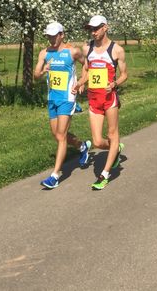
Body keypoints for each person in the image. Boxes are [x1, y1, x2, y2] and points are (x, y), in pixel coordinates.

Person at [34, 21, 91, 189]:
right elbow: (36, 75)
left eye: (54, 36)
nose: (51, 39)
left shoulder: (72, 52)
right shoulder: (44, 53)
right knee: (57, 134)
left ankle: (55, 175)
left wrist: (81, 82)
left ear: (62, 35)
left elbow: (87, 66)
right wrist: (43, 71)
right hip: (52, 98)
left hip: (67, 98)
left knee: (60, 135)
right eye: (49, 36)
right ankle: (82, 146)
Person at [75, 15, 128, 190]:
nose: (93, 32)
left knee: (112, 134)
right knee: (98, 142)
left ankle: (104, 174)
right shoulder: (87, 48)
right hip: (94, 99)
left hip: (109, 99)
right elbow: (87, 69)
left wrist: (114, 84)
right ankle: (116, 149)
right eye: (91, 28)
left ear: (105, 27)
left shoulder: (116, 50)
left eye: (96, 28)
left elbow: (124, 75)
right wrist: (81, 82)